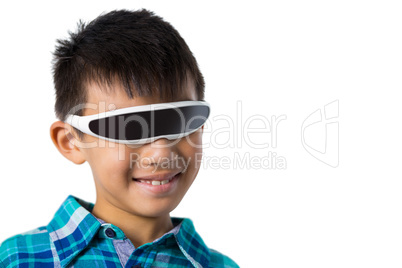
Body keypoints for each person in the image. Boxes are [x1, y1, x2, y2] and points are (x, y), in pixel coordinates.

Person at [0, 9, 239, 268]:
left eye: (180, 120)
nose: (162, 154)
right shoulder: (18, 259)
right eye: (129, 129)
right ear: (71, 141)